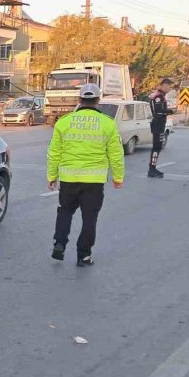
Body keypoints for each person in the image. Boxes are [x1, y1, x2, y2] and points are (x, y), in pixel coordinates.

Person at [47, 84, 125, 267]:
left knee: (64, 212)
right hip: (94, 181)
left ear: (79, 100)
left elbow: (54, 152)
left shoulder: (64, 122)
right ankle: (84, 255)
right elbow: (116, 153)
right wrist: (118, 177)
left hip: (68, 179)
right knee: (89, 218)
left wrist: (52, 176)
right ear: (98, 101)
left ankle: (59, 244)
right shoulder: (108, 123)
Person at [147, 78, 175, 178]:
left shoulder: (160, 95)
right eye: (170, 87)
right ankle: (152, 169)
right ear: (165, 85)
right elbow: (157, 112)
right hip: (158, 123)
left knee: (158, 147)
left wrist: (167, 111)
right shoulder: (158, 96)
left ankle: (153, 168)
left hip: (160, 123)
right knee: (156, 147)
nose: (170, 89)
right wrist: (168, 112)